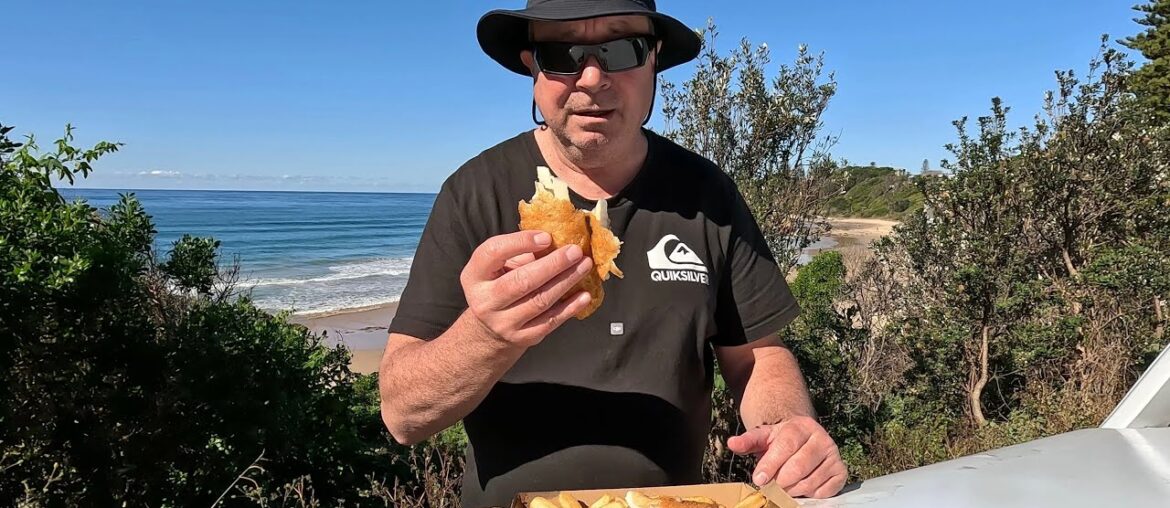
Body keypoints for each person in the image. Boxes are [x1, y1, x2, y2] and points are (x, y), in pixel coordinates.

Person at [379, 1, 847, 506]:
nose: (592, 77)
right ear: (532, 67)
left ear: (654, 61)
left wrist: (789, 430)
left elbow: (756, 356)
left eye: (622, 48)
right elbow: (403, 415)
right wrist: (486, 335)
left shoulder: (706, 195)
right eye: (562, 52)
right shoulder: (475, 194)